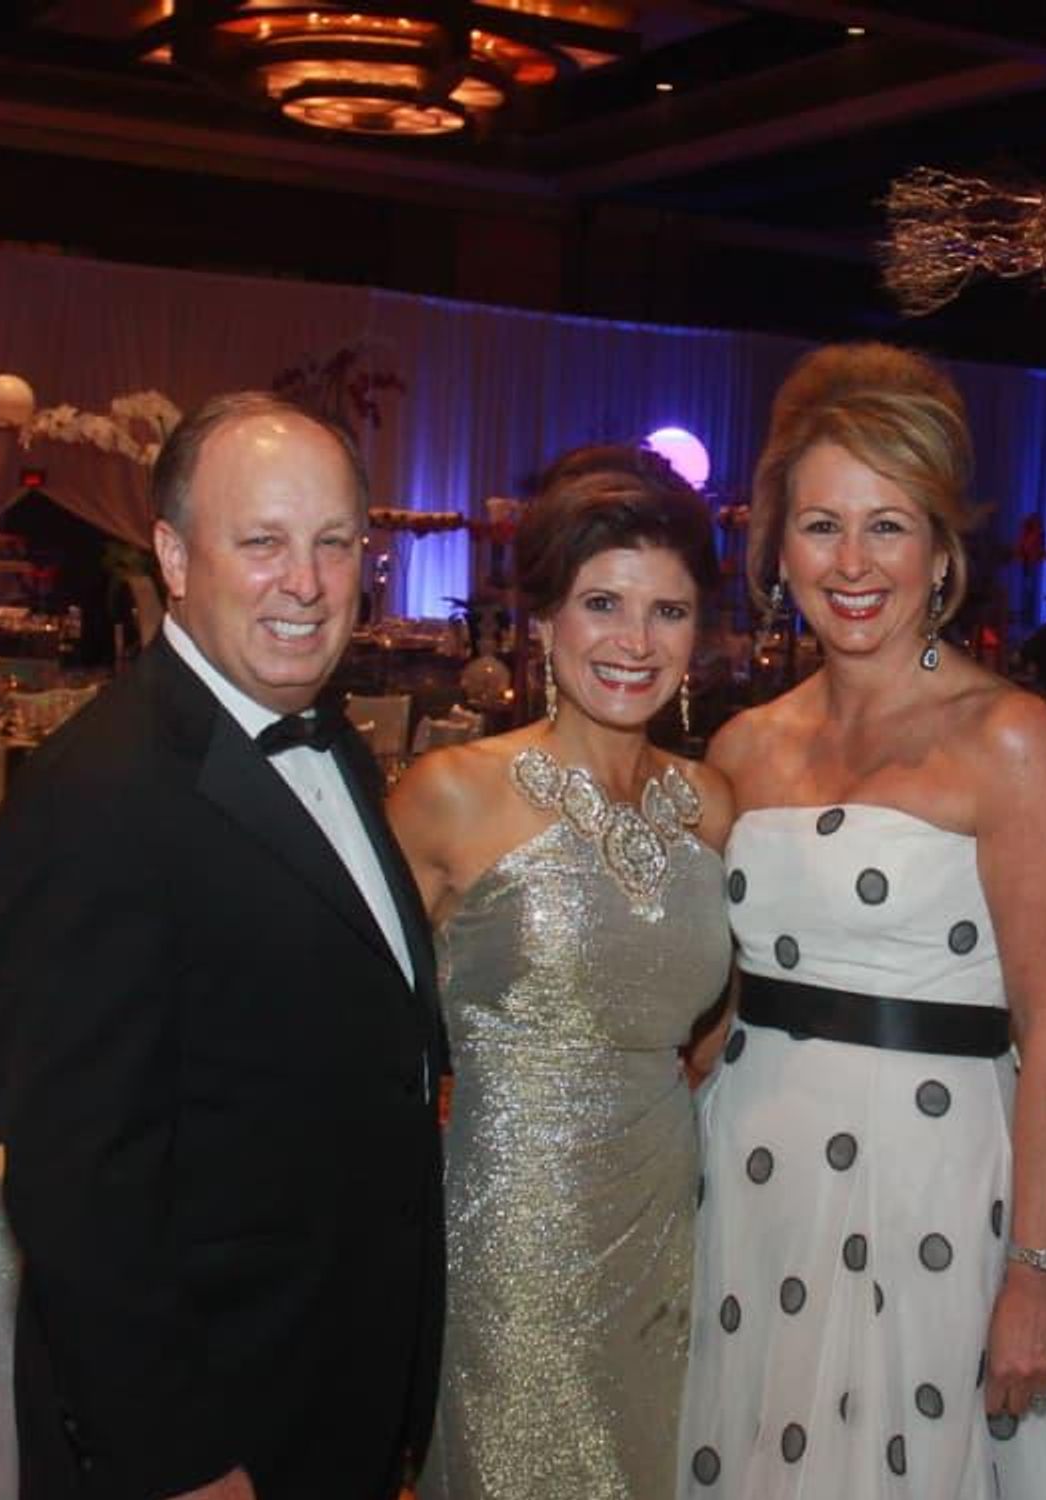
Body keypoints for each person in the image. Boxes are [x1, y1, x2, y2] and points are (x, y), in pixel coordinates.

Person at [679, 343, 1046, 1499]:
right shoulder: (739, 749)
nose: (851, 562)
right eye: (820, 525)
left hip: (933, 1196)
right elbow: (700, 998)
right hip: (749, 1184)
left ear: (939, 552)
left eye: (886, 525)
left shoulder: (1007, 737)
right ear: (777, 549)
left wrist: (1038, 1267)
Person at [0, 392, 445, 1500]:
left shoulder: (335, 745)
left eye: (334, 543)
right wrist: (178, 1458)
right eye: (263, 542)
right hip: (207, 1430)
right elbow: (78, 1183)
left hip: (325, 1386)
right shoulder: (96, 795)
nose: (307, 583)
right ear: (176, 558)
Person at [389, 444, 734, 1500]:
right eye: (602, 604)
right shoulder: (451, 793)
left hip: (669, 1226)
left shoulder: (711, 806)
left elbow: (718, 1026)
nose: (635, 642)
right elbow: (350, 1030)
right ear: (545, 621)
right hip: (509, 1236)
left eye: (668, 612)